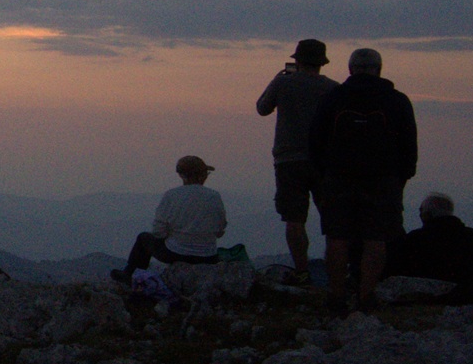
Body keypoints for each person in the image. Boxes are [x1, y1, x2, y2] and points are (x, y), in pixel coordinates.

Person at [310, 48, 417, 314]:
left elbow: (315, 141)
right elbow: (409, 146)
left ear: (350, 69)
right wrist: (400, 178)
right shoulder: (397, 100)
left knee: (337, 237)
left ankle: (336, 297)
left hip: (338, 177)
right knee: (376, 238)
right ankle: (366, 296)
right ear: (379, 69)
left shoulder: (332, 98)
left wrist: (325, 175)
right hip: (383, 180)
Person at [256, 38, 339, 283]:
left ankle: (302, 272)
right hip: (325, 161)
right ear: (321, 63)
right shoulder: (334, 89)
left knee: (294, 219)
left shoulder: (283, 83)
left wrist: (278, 77)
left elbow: (262, 108)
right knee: (333, 221)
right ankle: (334, 274)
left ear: (298, 60)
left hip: (288, 160)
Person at [111, 156, 228, 284]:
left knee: (143, 238)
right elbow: (220, 229)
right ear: (203, 175)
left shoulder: (171, 196)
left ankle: (131, 275)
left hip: (176, 253)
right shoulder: (214, 196)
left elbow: (158, 232)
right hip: (208, 256)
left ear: (181, 175)